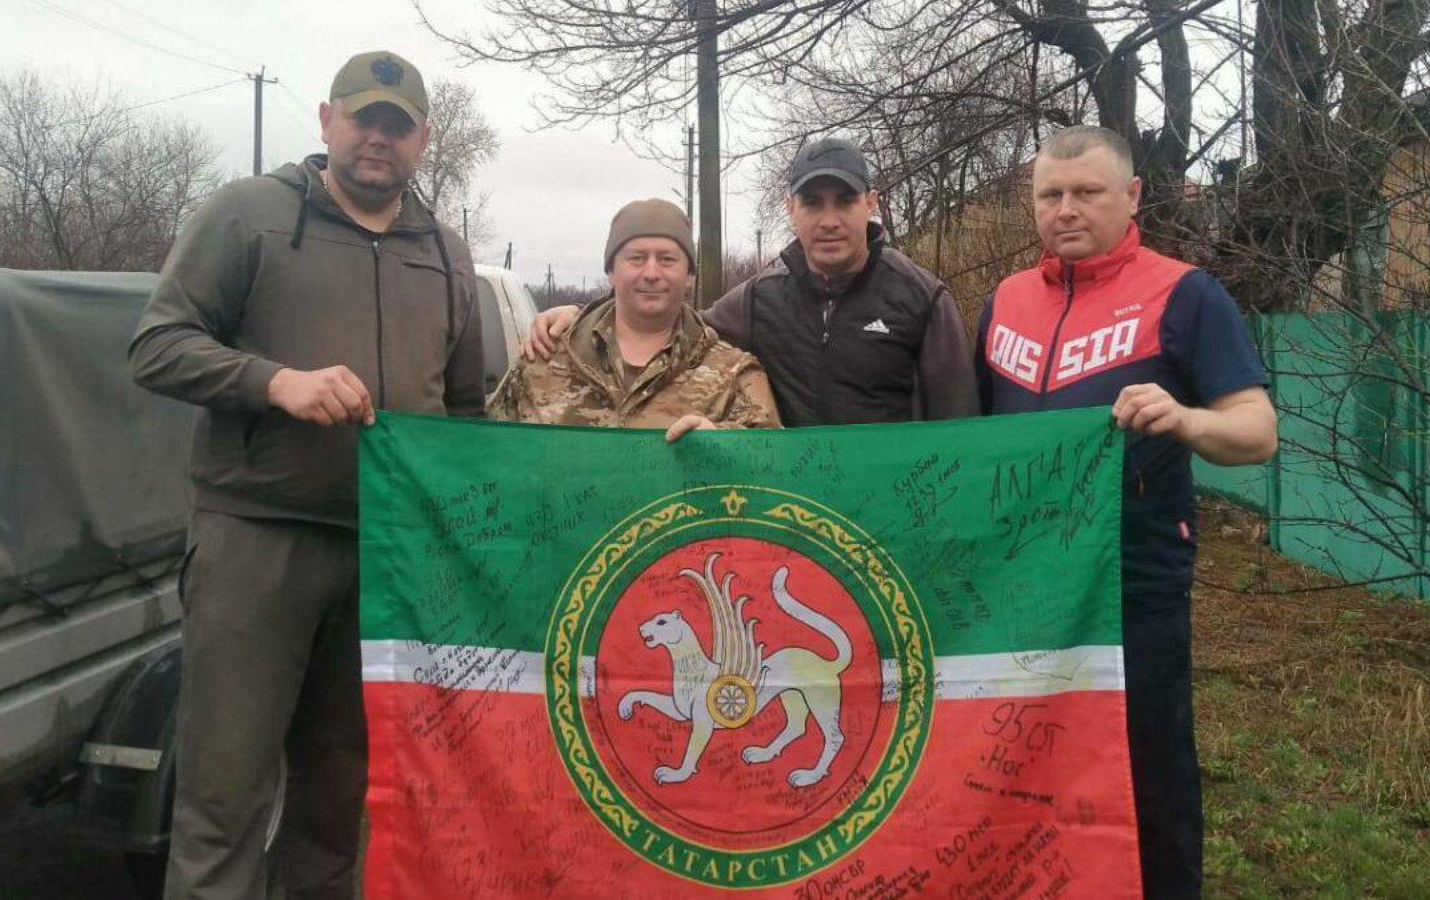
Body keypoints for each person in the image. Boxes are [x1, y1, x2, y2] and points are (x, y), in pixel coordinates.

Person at [128, 50, 482, 900]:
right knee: (224, 795)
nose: (377, 138)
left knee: (336, 797)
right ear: (327, 119)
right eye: (363, 118)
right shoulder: (247, 215)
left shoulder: (444, 251)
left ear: (422, 139)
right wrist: (273, 382)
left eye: (397, 125)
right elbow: (156, 346)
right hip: (258, 542)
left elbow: (465, 411)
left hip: (383, 561)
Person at [975, 125, 1278, 899]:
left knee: (1147, 774)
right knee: (1023, 770)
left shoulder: (1186, 294)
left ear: (1132, 195)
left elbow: (1257, 432)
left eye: (1087, 192)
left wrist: (1186, 419)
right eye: (1050, 194)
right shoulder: (1004, 301)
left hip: (1134, 583)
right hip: (1023, 584)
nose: (1066, 210)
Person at [527, 138, 978, 425]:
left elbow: (960, 426)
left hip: (892, 517)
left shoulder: (922, 298)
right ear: (791, 208)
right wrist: (585, 316)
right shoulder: (760, 299)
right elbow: (670, 320)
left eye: (844, 201)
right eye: (812, 203)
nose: (829, 220)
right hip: (791, 517)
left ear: (871, 203)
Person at [489, 198, 779, 436]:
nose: (651, 273)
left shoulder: (734, 376)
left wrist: (725, 446)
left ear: (689, 275)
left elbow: (772, 465)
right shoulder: (543, 360)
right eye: (636, 258)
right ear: (611, 271)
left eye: (667, 259)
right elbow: (489, 458)